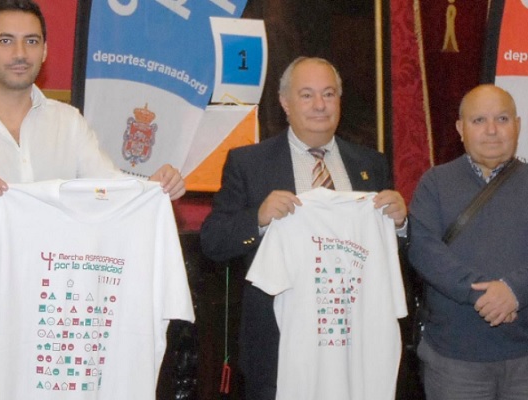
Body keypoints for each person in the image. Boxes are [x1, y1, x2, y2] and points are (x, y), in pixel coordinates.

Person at [0, 1, 185, 399]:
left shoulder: (68, 121)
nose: (20, 53)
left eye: (31, 41)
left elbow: (108, 189)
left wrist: (151, 188)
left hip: (59, 316)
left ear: (45, 50)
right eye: (6, 41)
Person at [200, 56, 407, 399]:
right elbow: (213, 241)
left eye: (329, 94)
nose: (320, 105)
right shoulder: (248, 163)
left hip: (355, 344)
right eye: (307, 95)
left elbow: (385, 253)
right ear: (285, 102)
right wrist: (258, 218)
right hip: (278, 347)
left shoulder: (371, 164)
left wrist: (399, 225)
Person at [408, 84, 528, 400]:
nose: (492, 130)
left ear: (517, 125)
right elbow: (423, 249)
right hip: (454, 362)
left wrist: (514, 290)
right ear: (461, 129)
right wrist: (481, 294)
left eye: (502, 119)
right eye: (479, 120)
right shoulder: (434, 183)